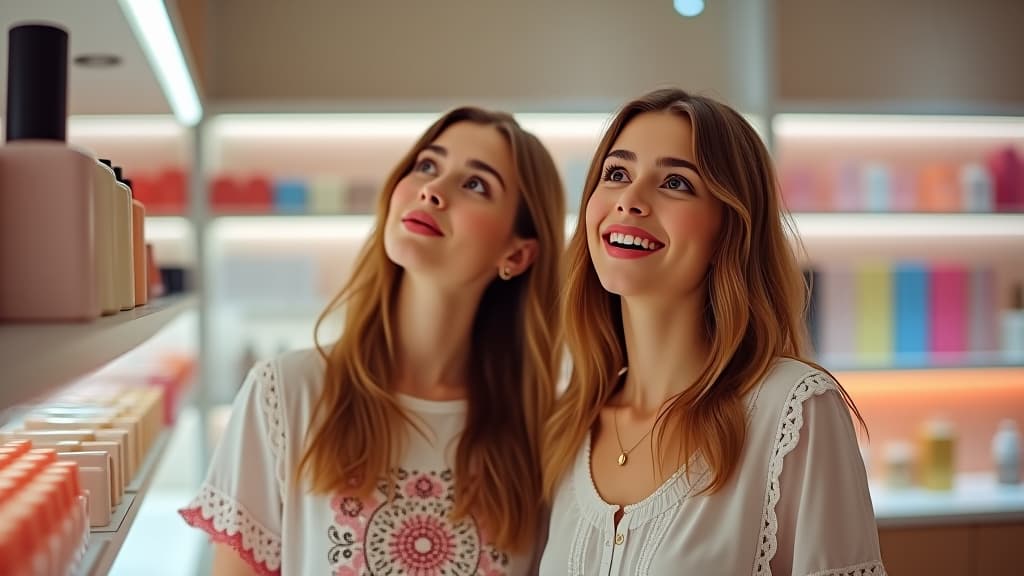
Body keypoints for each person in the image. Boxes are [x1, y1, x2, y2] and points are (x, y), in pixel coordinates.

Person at [180, 107, 566, 575]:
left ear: (518, 253)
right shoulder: (285, 394)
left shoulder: (548, 435)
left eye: (475, 184)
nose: (433, 191)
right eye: (427, 166)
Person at [540, 88, 886, 575]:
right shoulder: (568, 424)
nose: (630, 201)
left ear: (730, 229)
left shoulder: (794, 409)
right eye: (617, 174)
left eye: (676, 182)